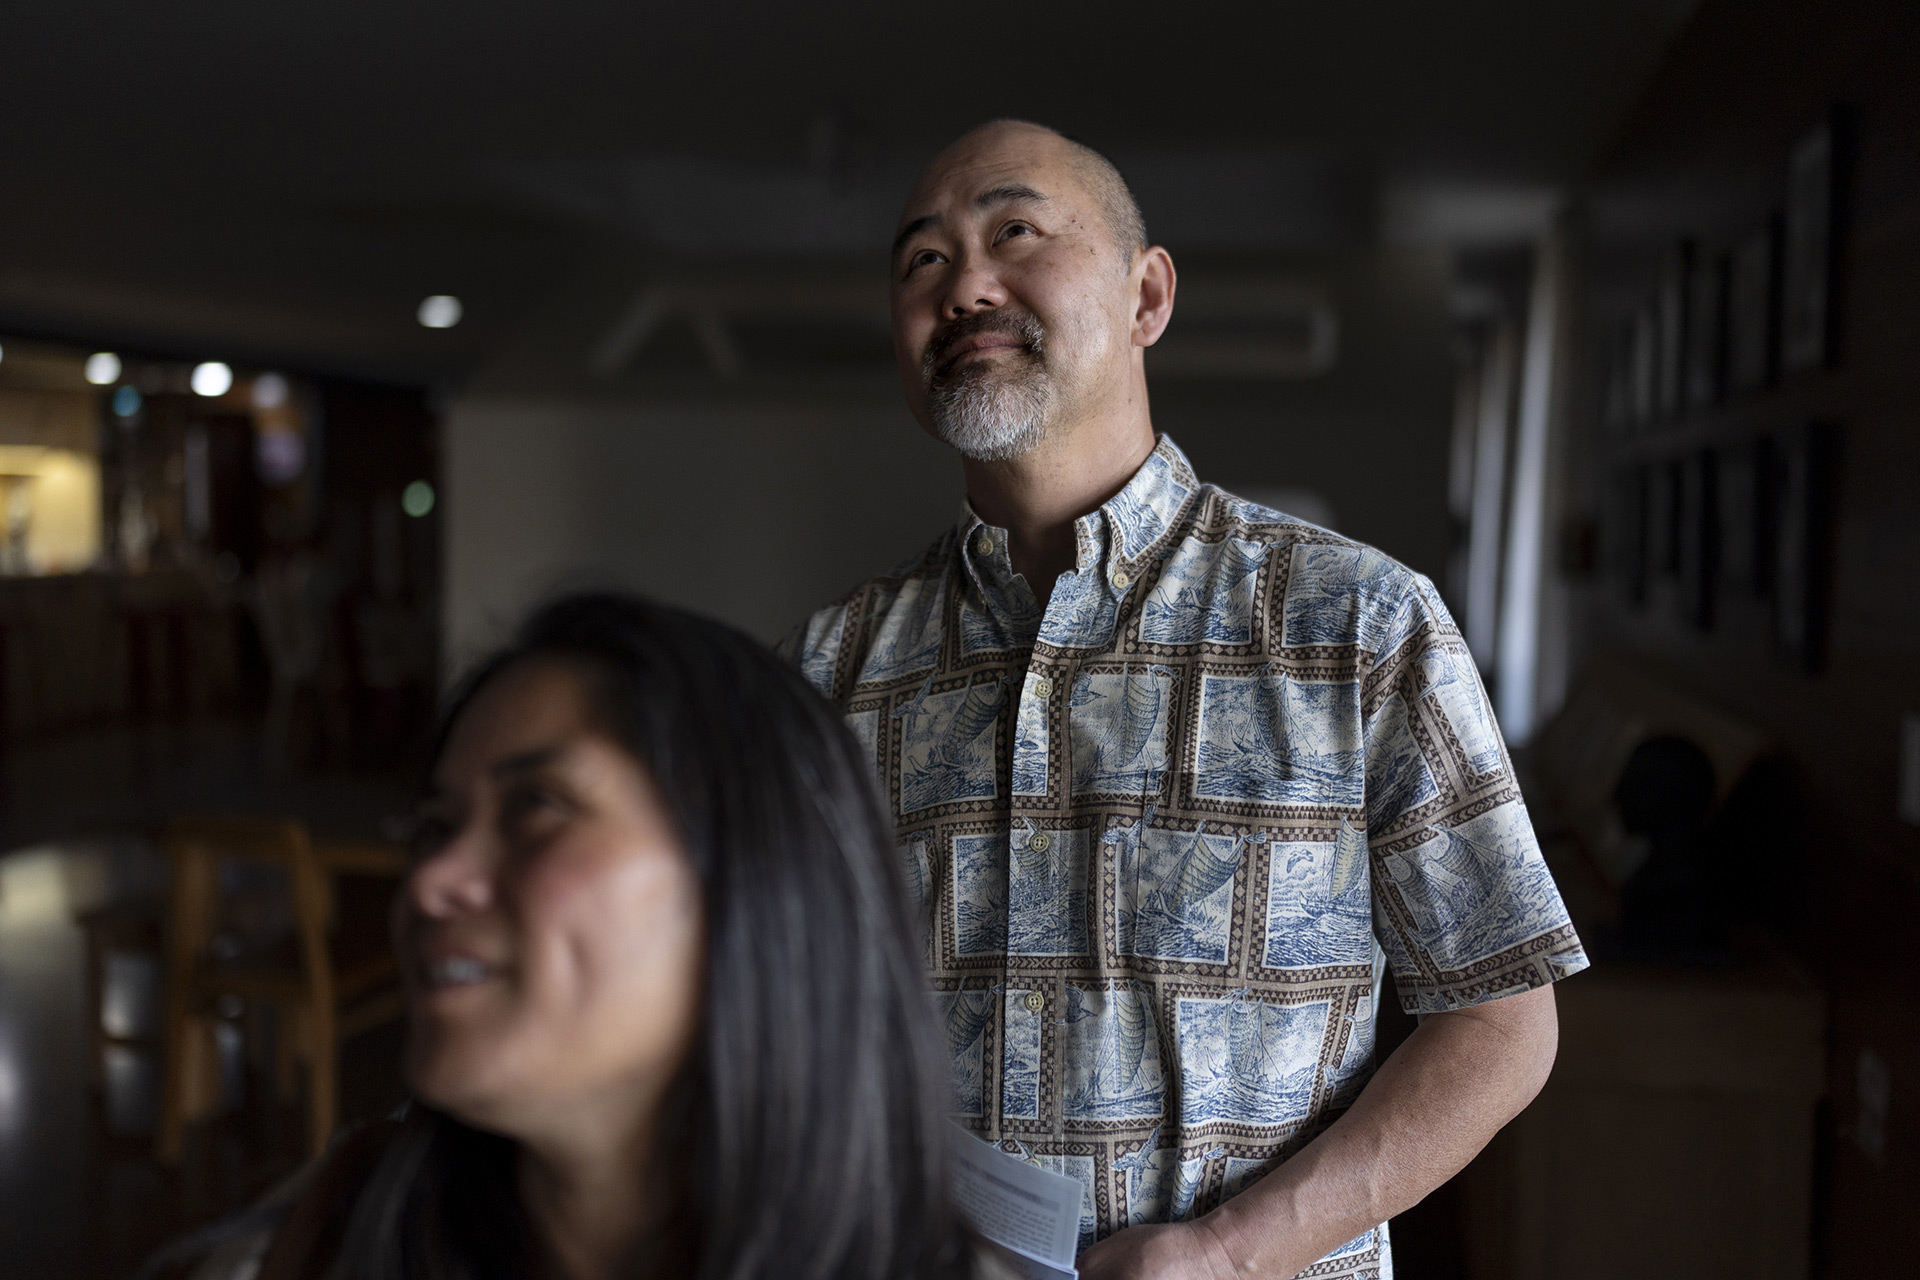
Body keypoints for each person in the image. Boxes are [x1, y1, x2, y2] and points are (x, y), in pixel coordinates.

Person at [787, 120, 1590, 1280]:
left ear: (1146, 295)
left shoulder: (1355, 622)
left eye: (1014, 230)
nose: (965, 284)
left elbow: (1503, 1020)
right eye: (922, 262)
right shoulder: (827, 669)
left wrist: (1229, 1250)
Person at [170, 593, 981, 1280]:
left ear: (761, 878)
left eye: (537, 811)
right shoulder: (323, 1237)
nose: (430, 882)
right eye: (435, 829)